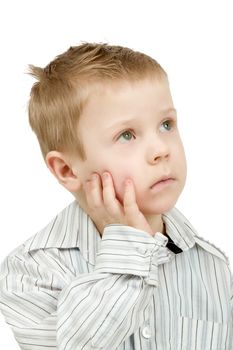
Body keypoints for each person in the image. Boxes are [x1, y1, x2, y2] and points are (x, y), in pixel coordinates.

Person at [0, 43, 232, 350]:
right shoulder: (31, 272)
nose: (161, 149)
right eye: (127, 135)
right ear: (68, 169)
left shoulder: (210, 265)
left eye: (166, 125)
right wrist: (129, 245)